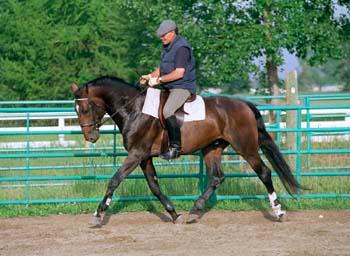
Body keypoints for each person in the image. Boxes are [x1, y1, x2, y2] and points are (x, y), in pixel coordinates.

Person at [141, 19, 196, 160]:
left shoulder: (182, 48)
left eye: (164, 35)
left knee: (167, 111)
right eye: (160, 35)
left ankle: (175, 148)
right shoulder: (167, 46)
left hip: (182, 87)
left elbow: (179, 73)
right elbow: (162, 68)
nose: (161, 38)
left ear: (172, 32)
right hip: (169, 86)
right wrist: (149, 76)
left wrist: (158, 80)